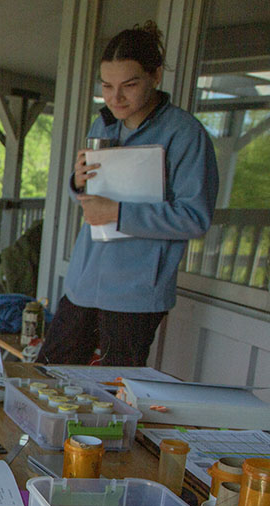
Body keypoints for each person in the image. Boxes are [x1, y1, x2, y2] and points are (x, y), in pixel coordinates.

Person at [37, 21, 217, 367]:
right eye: (106, 86)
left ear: (156, 76)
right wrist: (79, 183)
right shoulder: (103, 124)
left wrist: (118, 212)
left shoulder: (185, 134)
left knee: (114, 392)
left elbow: (195, 219)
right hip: (85, 281)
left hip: (136, 292)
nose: (115, 98)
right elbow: (91, 202)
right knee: (47, 374)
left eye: (129, 85)